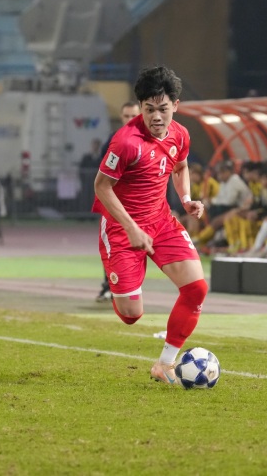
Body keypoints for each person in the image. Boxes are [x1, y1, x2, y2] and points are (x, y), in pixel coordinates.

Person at [92, 66, 207, 387]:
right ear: (140, 107)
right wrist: (130, 229)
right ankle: (115, 267)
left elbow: (181, 166)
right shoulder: (126, 142)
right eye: (149, 109)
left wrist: (186, 199)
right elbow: (102, 186)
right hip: (121, 227)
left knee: (196, 288)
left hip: (161, 220)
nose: (156, 116)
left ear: (176, 105)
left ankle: (166, 363)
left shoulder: (180, 134)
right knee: (131, 315)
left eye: (163, 109)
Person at [95, 101, 141, 301]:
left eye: (133, 116)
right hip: (117, 204)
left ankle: (131, 287)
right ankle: (109, 286)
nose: (130, 120)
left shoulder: (149, 139)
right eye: (126, 116)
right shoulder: (114, 141)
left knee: (140, 248)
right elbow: (103, 175)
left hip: (142, 205)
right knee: (113, 247)